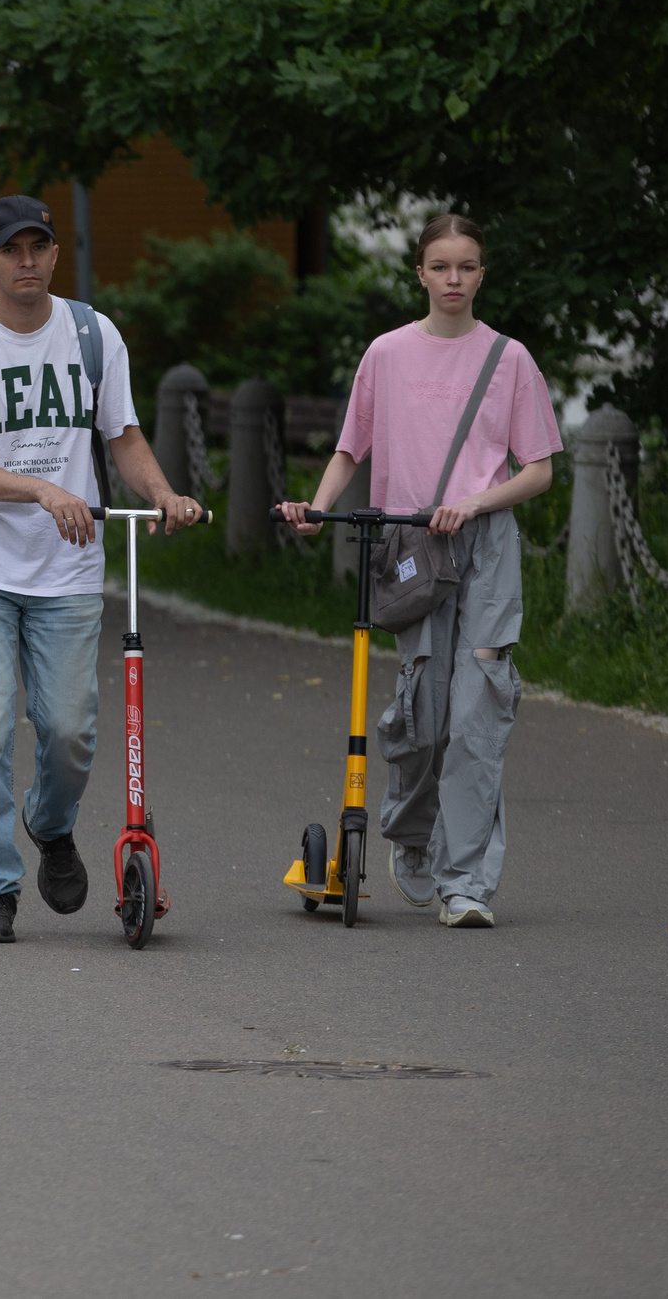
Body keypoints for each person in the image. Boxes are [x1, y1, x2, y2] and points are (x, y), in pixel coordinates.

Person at [0, 195, 201, 944]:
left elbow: (122, 436)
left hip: (67, 569)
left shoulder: (94, 334)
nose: (26, 260)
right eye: (12, 249)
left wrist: (163, 494)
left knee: (69, 730)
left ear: (56, 254)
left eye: (38, 246)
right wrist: (39, 488)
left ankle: (50, 822)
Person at [278, 213, 560, 928]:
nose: (454, 279)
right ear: (421, 273)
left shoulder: (510, 359)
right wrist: (316, 508)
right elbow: (351, 448)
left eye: (467, 266)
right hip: (412, 546)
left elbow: (539, 470)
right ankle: (411, 830)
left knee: (478, 710)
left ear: (482, 273)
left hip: (486, 542)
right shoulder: (387, 354)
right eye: (441, 266)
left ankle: (466, 883)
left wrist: (474, 502)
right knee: (425, 716)